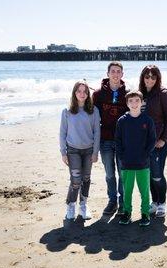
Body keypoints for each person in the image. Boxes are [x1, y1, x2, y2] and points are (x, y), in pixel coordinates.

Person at [138, 64, 167, 218]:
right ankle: (154, 202)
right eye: (147, 76)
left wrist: (163, 139)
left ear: (158, 78)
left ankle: (162, 203)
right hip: (143, 143)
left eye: (153, 77)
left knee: (157, 174)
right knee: (148, 174)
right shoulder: (139, 94)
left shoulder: (164, 94)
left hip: (159, 142)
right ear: (143, 77)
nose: (150, 79)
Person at [59, 80, 101, 220]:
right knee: (76, 180)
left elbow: (97, 133)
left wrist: (95, 152)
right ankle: (71, 205)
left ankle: (83, 205)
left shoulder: (94, 110)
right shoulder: (67, 111)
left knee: (86, 178)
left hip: (88, 151)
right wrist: (63, 152)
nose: (82, 94)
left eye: (85, 91)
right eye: (79, 91)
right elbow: (62, 133)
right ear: (74, 93)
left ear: (88, 94)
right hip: (73, 151)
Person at [92, 61, 129, 216]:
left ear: (122, 74)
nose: (115, 74)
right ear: (108, 74)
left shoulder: (128, 93)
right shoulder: (98, 94)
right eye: (112, 71)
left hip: (122, 141)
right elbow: (92, 117)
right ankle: (112, 201)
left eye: (118, 71)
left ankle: (123, 202)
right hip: (105, 139)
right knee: (109, 173)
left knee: (122, 173)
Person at [114, 90, 156, 226]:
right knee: (127, 191)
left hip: (143, 163)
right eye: (131, 101)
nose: (134, 103)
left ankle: (145, 213)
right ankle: (127, 213)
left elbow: (152, 140)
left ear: (142, 102)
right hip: (127, 163)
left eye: (137, 100)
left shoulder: (147, 120)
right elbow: (118, 141)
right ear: (127, 103)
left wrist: (145, 155)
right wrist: (121, 157)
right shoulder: (122, 121)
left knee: (144, 190)